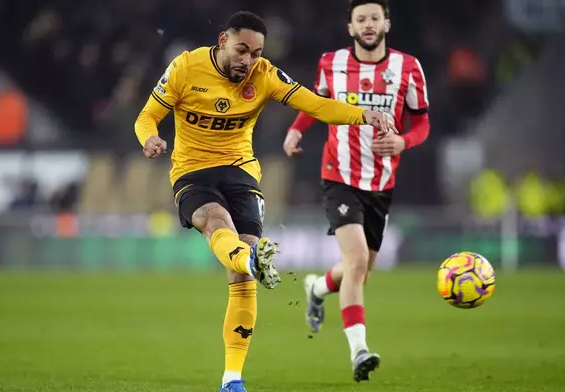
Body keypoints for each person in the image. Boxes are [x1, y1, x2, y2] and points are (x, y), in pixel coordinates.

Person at [134, 11, 393, 392]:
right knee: (214, 220)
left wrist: (363, 115)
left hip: (240, 172)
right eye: (242, 50)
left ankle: (232, 378)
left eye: (256, 53)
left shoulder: (265, 75)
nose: (248, 60)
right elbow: (147, 116)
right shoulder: (184, 68)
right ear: (223, 41)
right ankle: (248, 261)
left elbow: (316, 104)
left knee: (242, 275)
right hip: (192, 171)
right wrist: (149, 139)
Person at [283, 0, 431, 382]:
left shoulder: (408, 68)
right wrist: (297, 128)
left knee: (359, 271)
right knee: (358, 260)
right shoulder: (330, 62)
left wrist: (403, 143)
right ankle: (359, 352)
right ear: (350, 27)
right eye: (361, 19)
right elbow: (317, 103)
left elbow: (421, 123)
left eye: (374, 18)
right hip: (339, 175)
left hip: (381, 182)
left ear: (387, 24)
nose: (368, 25)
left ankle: (317, 287)